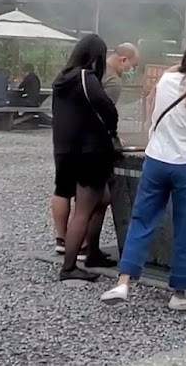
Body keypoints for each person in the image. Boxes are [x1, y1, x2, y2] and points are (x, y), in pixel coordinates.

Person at [102, 36, 186, 310]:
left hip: (155, 159)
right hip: (184, 164)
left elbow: (169, 79)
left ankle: (123, 282)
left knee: (141, 219)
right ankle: (180, 293)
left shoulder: (166, 81)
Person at [51, 33, 120, 281]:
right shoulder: (85, 77)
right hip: (89, 151)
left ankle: (93, 252)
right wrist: (111, 129)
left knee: (103, 199)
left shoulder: (63, 78)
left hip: (66, 149)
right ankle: (69, 266)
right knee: (83, 209)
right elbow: (106, 107)